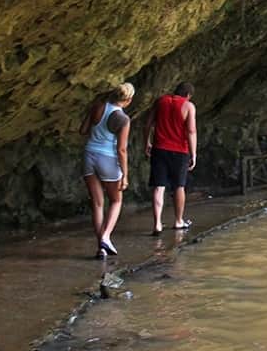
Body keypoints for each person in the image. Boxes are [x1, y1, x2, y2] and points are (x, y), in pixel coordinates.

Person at [79, 82, 134, 259]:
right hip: (107, 159)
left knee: (97, 203)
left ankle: (101, 248)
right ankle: (106, 237)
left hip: (89, 155)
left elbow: (82, 130)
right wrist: (125, 175)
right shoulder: (123, 119)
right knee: (116, 200)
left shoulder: (98, 107)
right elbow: (121, 150)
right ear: (128, 100)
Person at [145, 82, 197, 236]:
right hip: (180, 151)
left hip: (159, 148)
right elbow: (191, 130)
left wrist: (146, 142)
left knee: (158, 186)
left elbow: (148, 124)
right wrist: (193, 153)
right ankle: (178, 221)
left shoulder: (160, 101)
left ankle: (157, 224)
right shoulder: (188, 106)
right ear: (188, 95)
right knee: (179, 186)